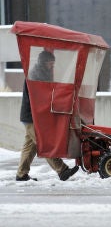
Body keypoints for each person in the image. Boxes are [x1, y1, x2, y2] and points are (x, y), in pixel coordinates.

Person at [16, 50, 79, 181]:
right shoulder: (36, 75)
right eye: (50, 63)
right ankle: (62, 170)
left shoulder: (42, 73)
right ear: (43, 63)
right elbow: (41, 96)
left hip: (33, 116)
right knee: (43, 143)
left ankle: (21, 174)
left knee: (30, 147)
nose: (52, 66)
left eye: (53, 63)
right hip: (31, 116)